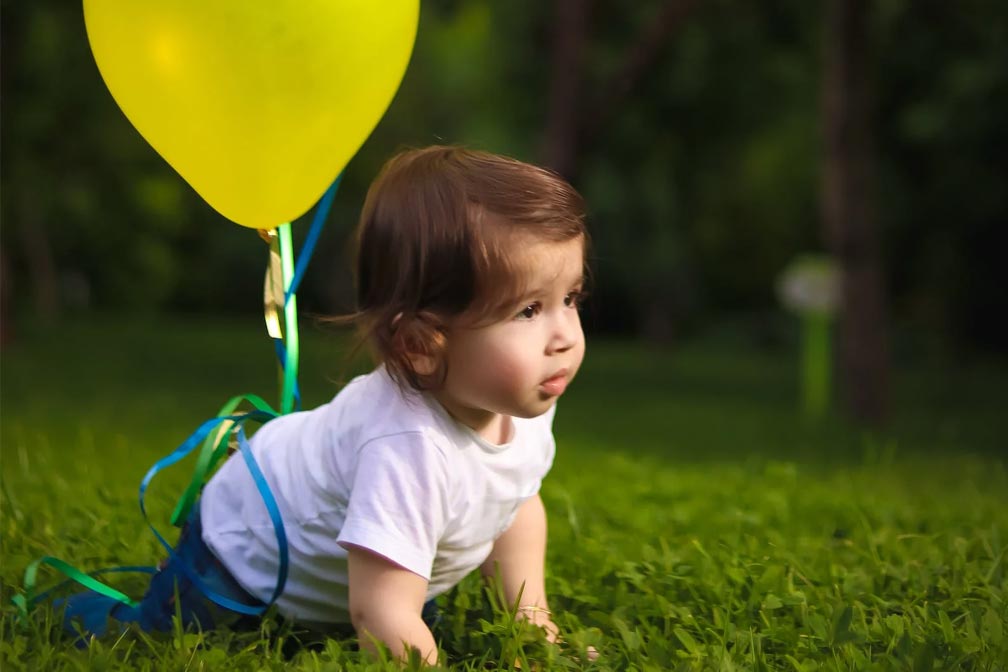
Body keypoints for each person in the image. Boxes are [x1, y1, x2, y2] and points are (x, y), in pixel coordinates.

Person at [60, 145, 590, 664]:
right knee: (156, 636)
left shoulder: (524, 403)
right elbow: (382, 616)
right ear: (421, 346)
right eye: (527, 310)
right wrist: (400, 628)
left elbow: (515, 497)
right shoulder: (407, 447)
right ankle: (77, 616)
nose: (563, 334)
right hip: (243, 548)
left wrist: (530, 619)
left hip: (331, 569)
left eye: (570, 298)